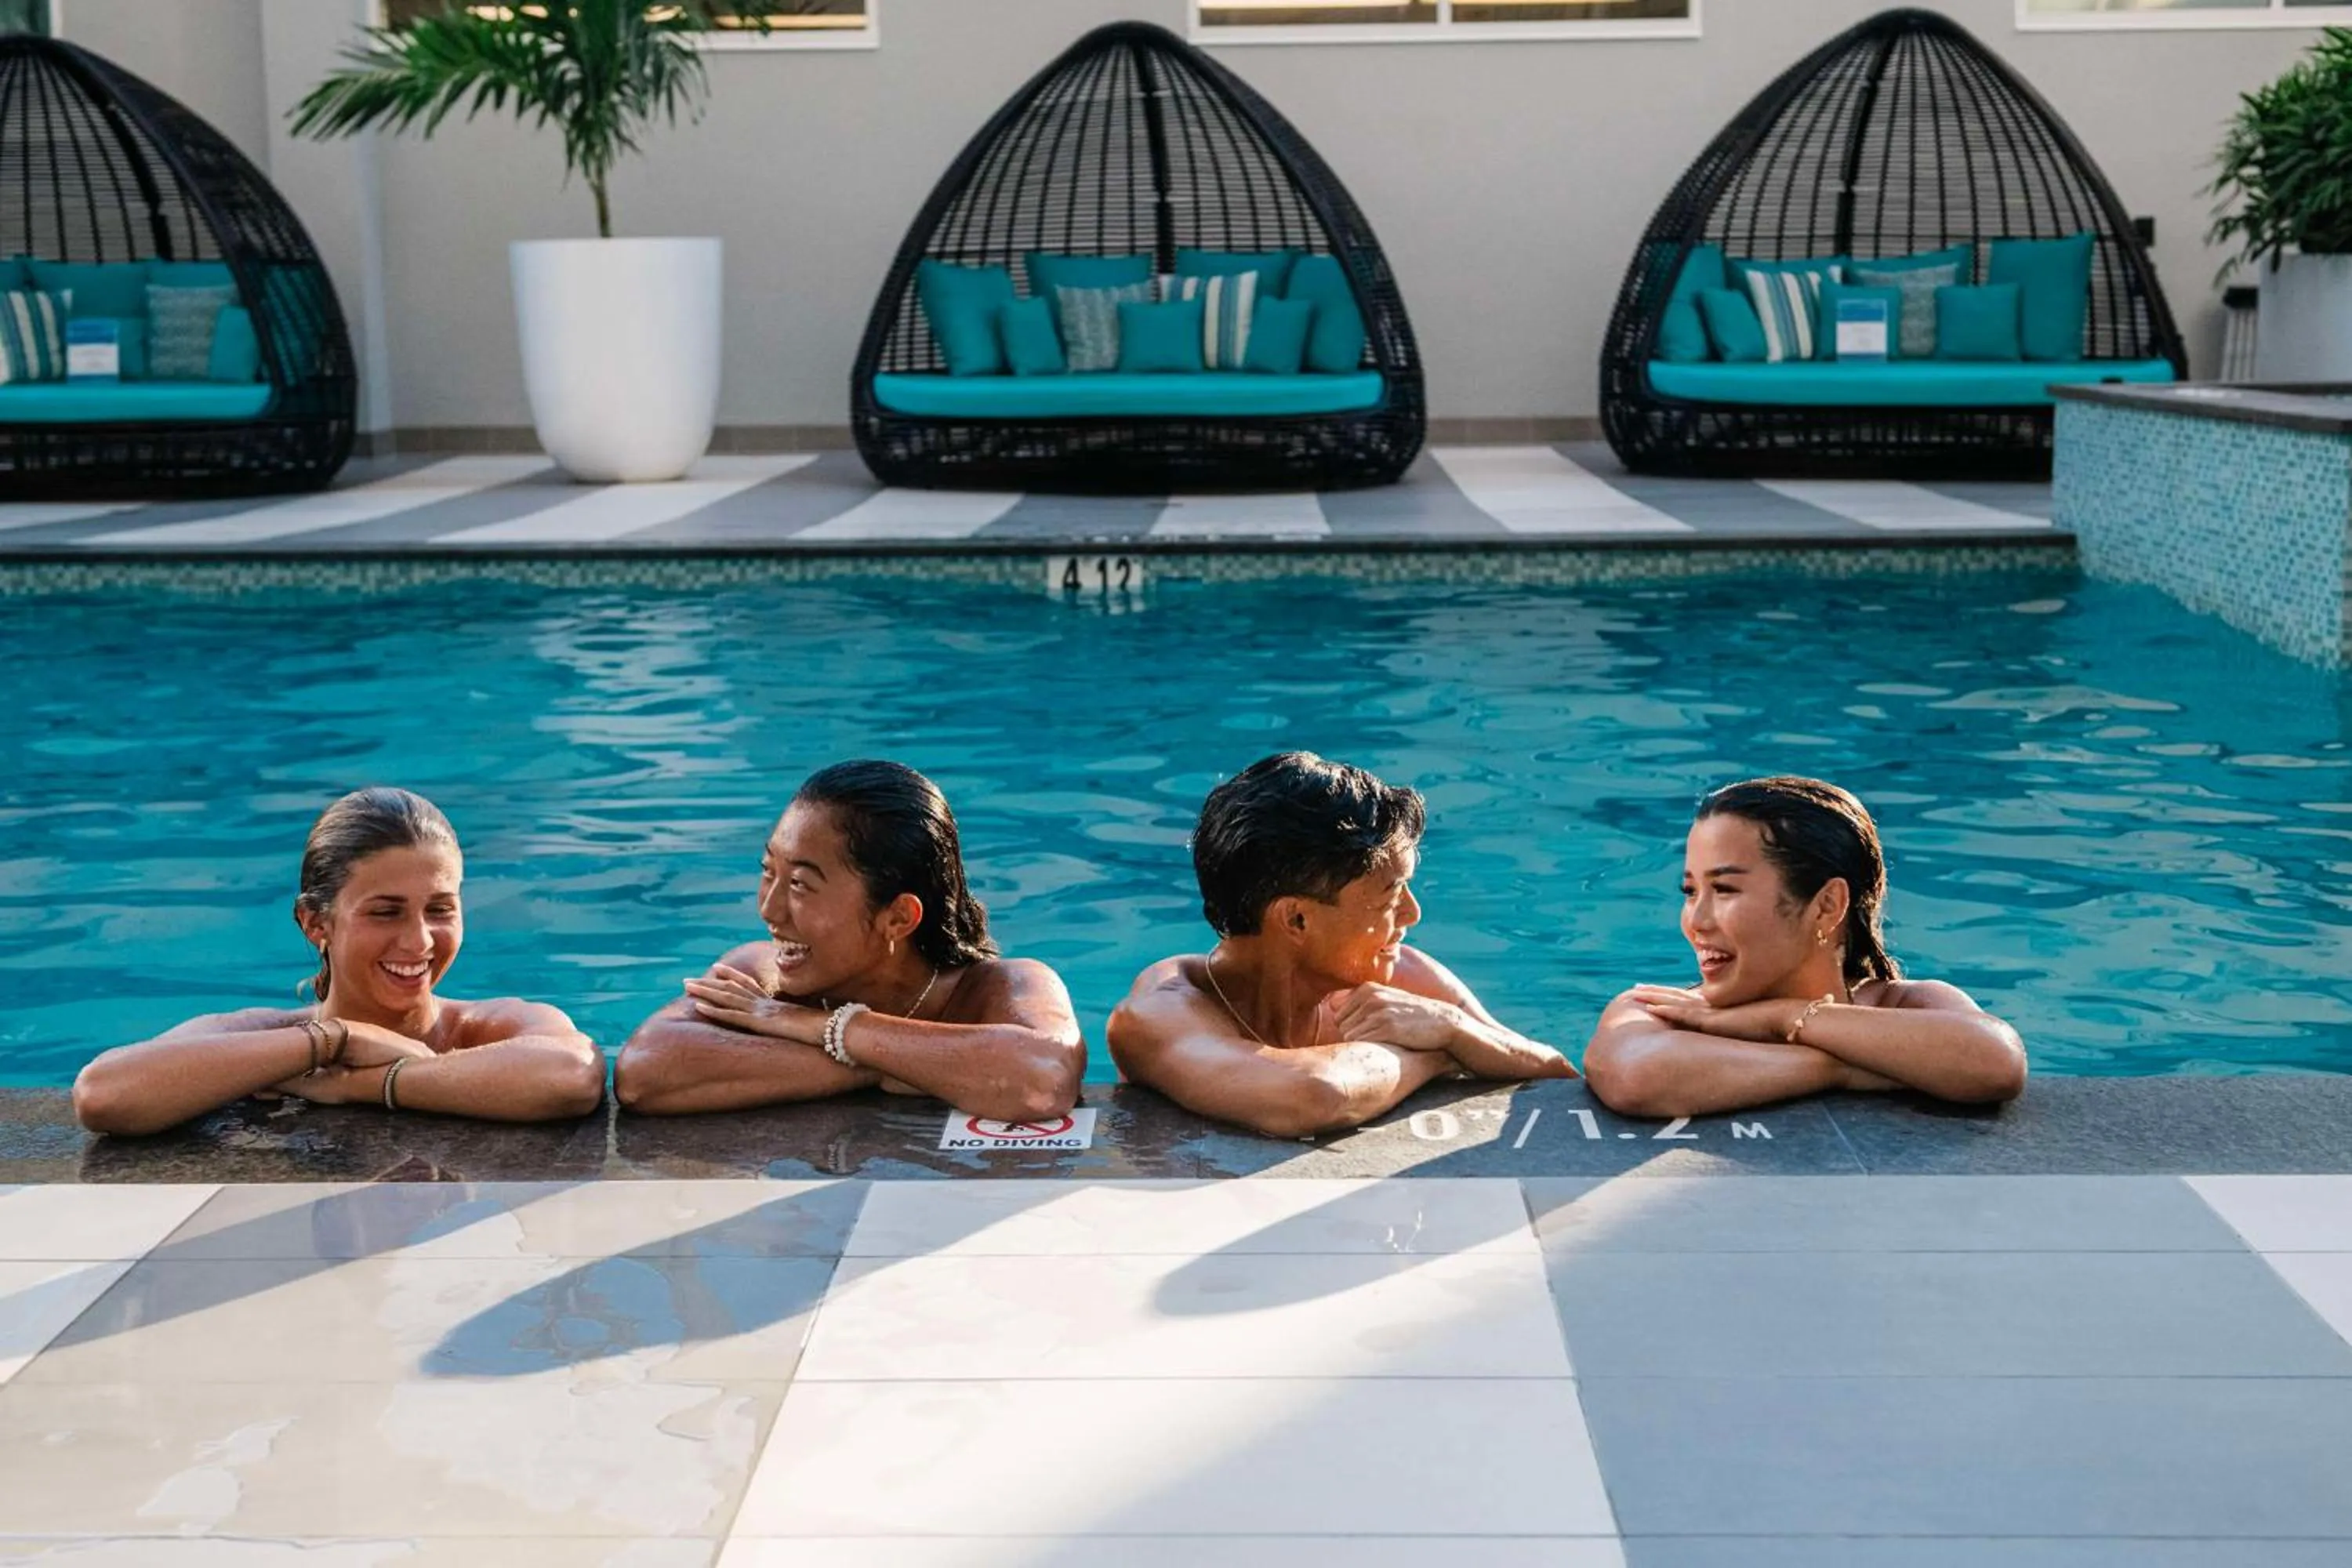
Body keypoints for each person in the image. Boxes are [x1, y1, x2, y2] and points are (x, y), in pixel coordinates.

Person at [73, 787, 605, 1136]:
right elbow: (104, 1094)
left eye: (440, 910)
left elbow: (572, 1076)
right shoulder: (263, 1036)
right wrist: (334, 1040)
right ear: (315, 923)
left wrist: (360, 1085)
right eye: (386, 912)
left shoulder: (487, 1027)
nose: (419, 940)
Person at [1108, 751, 1573, 1138]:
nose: (1413, 914)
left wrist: (1453, 1025)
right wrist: (1444, 1053)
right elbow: (1311, 1094)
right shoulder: (1159, 1013)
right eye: (1391, 895)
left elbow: (1558, 1082)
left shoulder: (1403, 974)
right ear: (1297, 918)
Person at [615, 760, 1083, 1120]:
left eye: (801, 884)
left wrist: (816, 1028)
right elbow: (644, 1071)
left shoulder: (998, 988)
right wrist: (891, 1065)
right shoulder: (760, 975)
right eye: (768, 873)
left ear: (898, 917)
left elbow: (1043, 1077)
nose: (769, 910)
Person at [1582, 775, 2027, 1119]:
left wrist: (1784, 1018)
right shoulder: (1660, 1009)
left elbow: (1996, 1061)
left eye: (1725, 890)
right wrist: (1844, 1068)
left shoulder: (1906, 1002)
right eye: (1690, 891)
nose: (1696, 922)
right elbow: (1639, 1076)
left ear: (1826, 906)